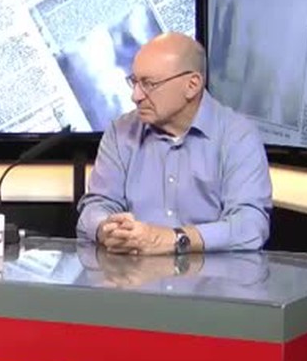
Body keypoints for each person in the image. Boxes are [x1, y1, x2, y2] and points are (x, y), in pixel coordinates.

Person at [76, 32, 272, 255]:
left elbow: (250, 226)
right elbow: (96, 207)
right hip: (132, 273)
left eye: (148, 84)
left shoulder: (238, 136)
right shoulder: (120, 132)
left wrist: (174, 239)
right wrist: (107, 229)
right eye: (134, 82)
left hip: (210, 275)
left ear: (192, 85)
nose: (135, 96)